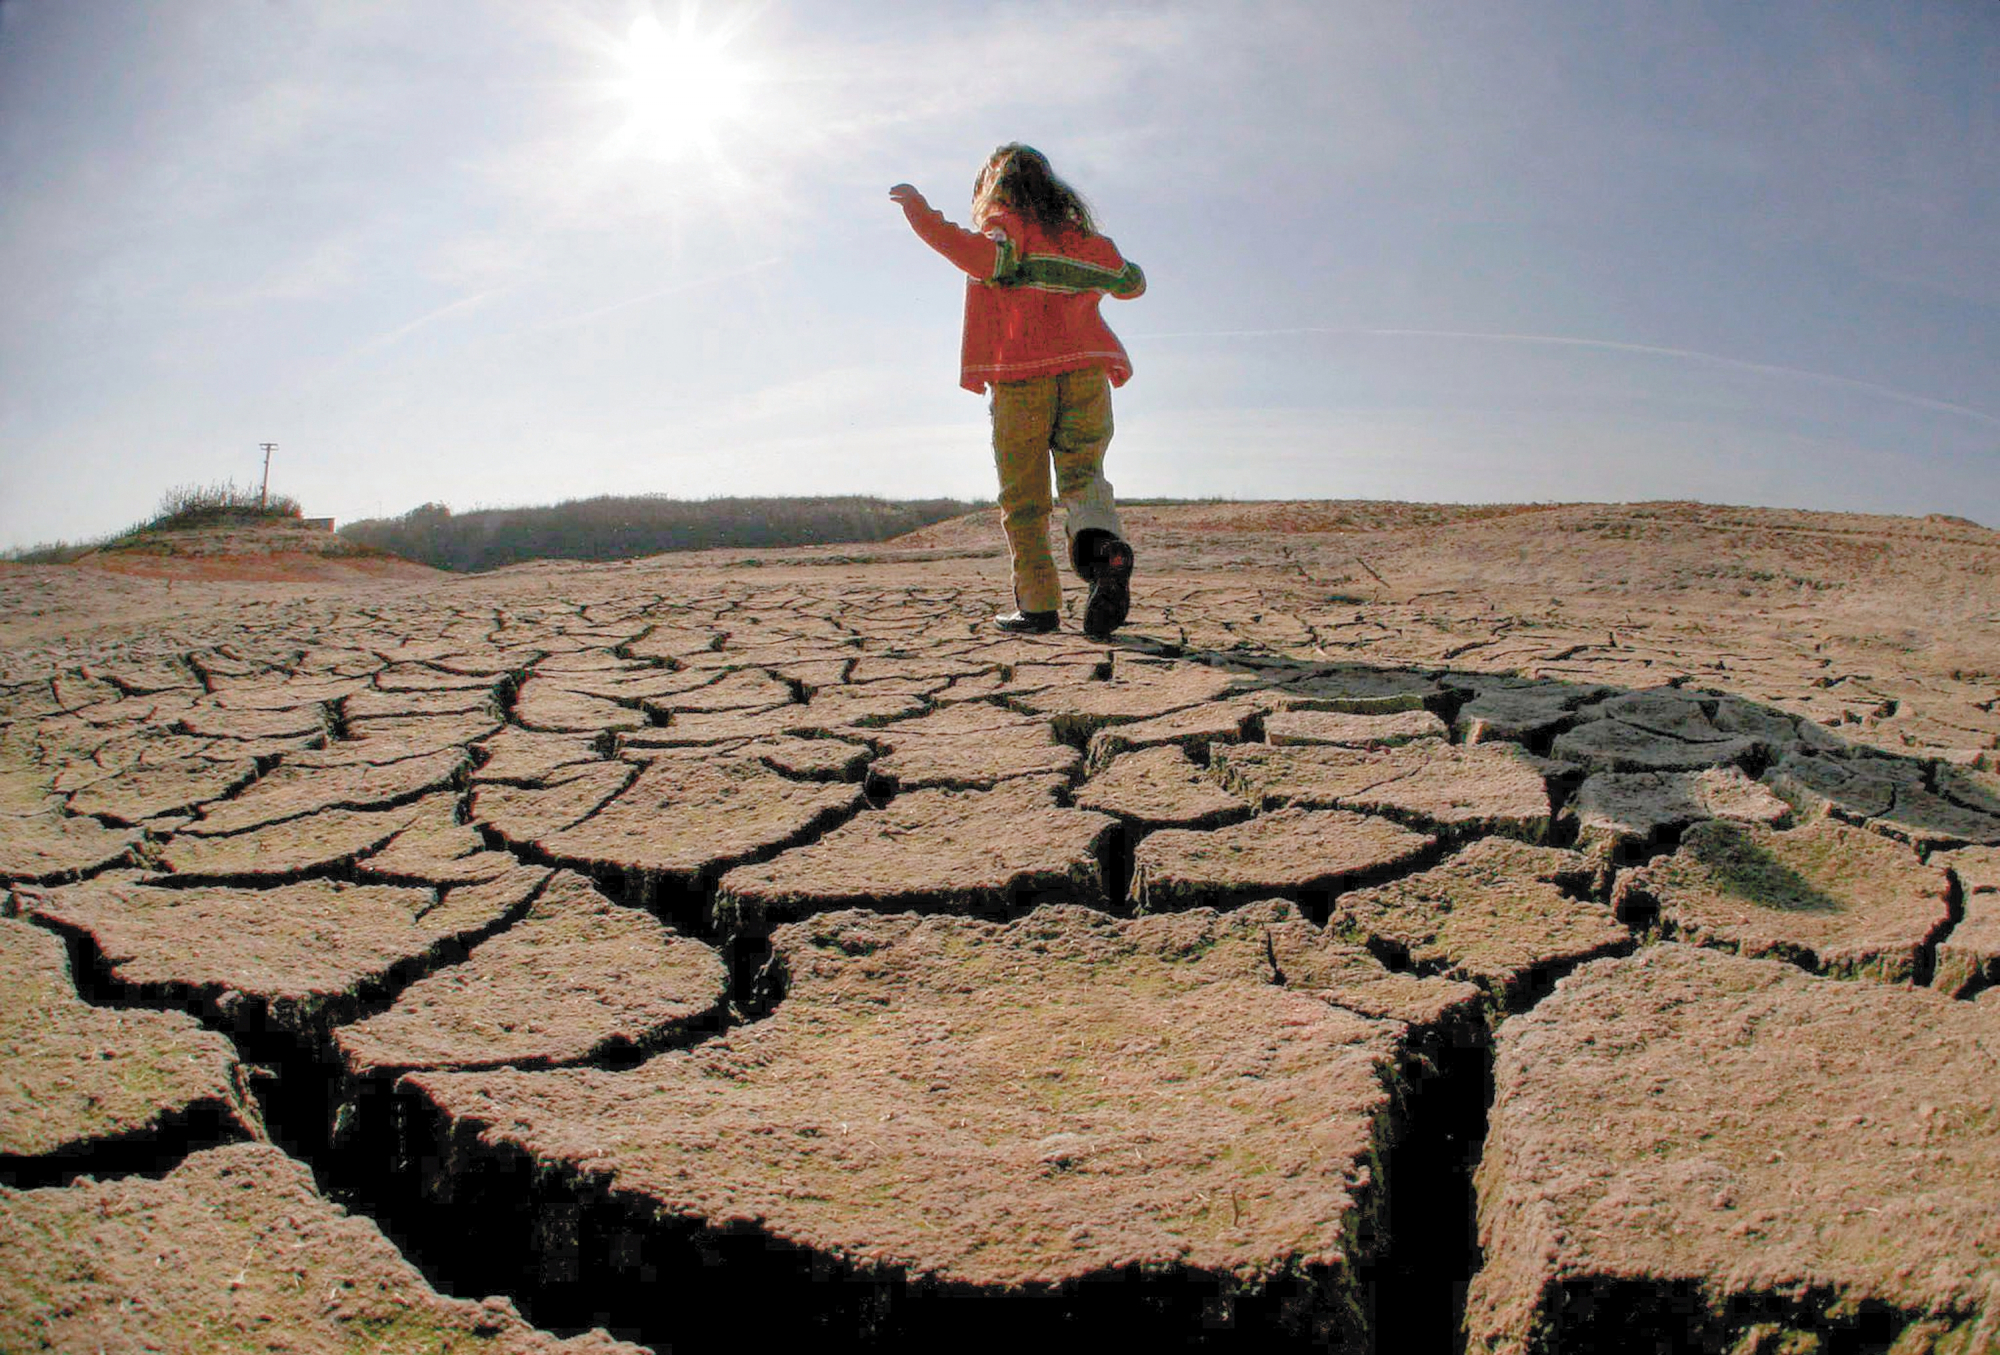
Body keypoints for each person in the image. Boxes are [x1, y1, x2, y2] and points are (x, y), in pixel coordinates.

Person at [889, 143, 1145, 638]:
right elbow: (1130, 281)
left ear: (997, 187)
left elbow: (980, 257)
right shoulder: (1082, 240)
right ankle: (1105, 554)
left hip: (1021, 375)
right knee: (1084, 476)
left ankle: (1038, 606)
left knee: (1024, 497)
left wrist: (921, 215)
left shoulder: (1008, 230)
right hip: (1087, 375)